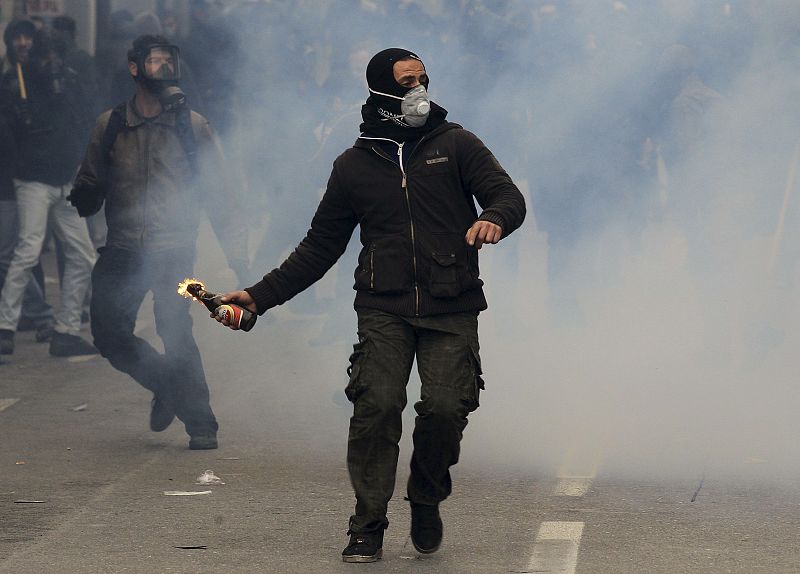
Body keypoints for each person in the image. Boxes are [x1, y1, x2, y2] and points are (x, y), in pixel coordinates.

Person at [216, 48, 526, 562]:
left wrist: (494, 216)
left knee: (447, 408)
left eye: (424, 79)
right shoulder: (353, 167)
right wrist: (258, 297)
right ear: (381, 91)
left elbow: (507, 195)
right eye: (407, 82)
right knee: (376, 405)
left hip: (452, 304)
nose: (418, 90)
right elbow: (319, 247)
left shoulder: (458, 145)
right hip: (384, 307)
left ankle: (426, 496)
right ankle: (368, 523)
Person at [68, 35, 249, 450]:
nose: (164, 68)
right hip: (123, 249)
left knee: (176, 331)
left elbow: (221, 196)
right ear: (135, 68)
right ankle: (166, 382)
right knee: (109, 333)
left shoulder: (192, 126)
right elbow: (91, 177)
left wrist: (238, 255)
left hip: (174, 250)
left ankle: (202, 423)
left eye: (170, 60)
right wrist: (85, 193)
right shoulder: (110, 123)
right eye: (155, 61)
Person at [0, 23, 97, 357]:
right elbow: (9, 135)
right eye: (46, 56)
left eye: (56, 55)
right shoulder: (16, 84)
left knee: (82, 254)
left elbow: (85, 122)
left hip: (64, 179)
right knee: (27, 250)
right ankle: (5, 326)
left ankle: (66, 328)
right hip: (33, 181)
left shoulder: (68, 81)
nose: (51, 62)